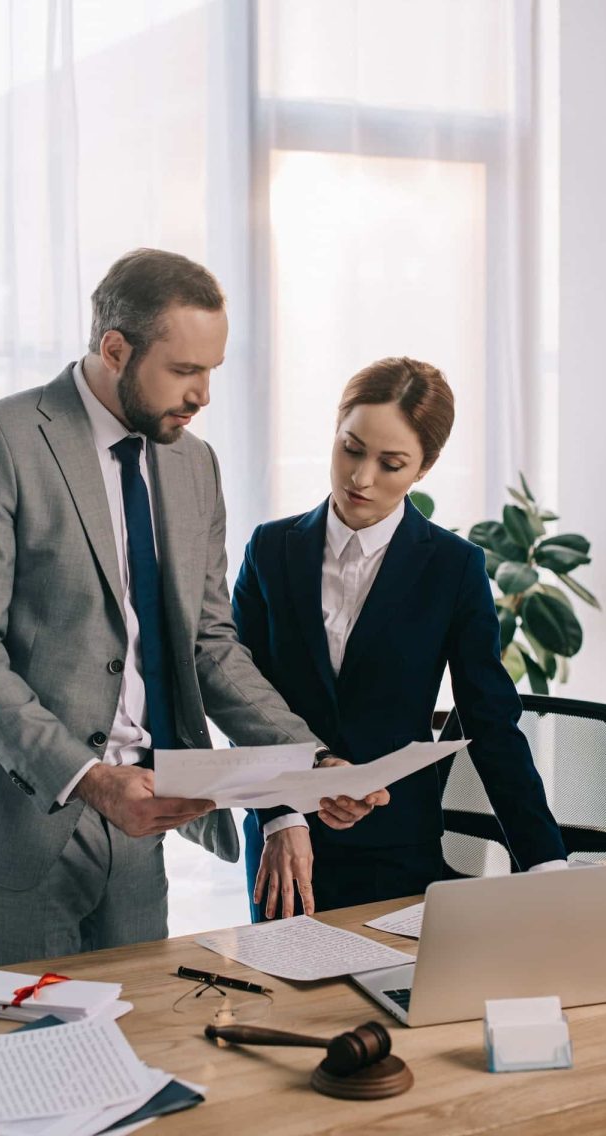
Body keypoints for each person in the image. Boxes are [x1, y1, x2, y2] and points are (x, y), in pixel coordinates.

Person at [0, 248, 378, 967]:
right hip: (15, 821)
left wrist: (308, 765)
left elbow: (211, 644)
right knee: (25, 1062)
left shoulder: (195, 464)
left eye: (212, 371)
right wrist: (89, 779)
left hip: (143, 825)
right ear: (114, 349)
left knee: (134, 1047)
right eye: (185, 372)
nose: (202, 396)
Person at [234, 357, 568, 922]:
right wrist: (282, 815)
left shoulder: (455, 567)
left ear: (425, 467)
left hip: (397, 847)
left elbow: (489, 719)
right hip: (286, 840)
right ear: (336, 428)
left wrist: (544, 863)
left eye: (391, 464)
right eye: (351, 448)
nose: (361, 478)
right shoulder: (270, 549)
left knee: (399, 1003)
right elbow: (239, 693)